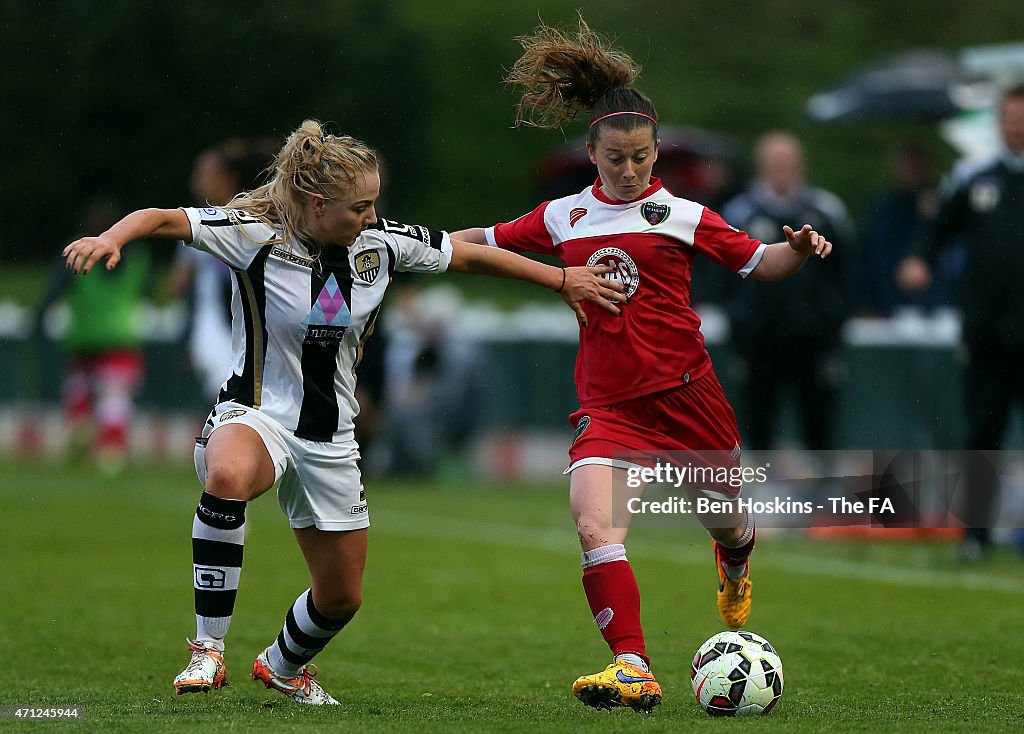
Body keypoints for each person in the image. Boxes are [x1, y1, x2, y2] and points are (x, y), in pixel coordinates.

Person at [63, 119, 626, 706]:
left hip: (333, 436)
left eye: (374, 202)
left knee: (341, 598)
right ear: (315, 204)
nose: (372, 215)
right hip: (257, 413)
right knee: (227, 476)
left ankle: (282, 666)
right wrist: (112, 238)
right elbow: (161, 217)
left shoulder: (380, 243)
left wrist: (562, 279)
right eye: (360, 206)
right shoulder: (252, 233)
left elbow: (469, 258)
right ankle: (207, 650)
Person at [453, 18, 833, 714]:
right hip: (610, 406)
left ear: (656, 153)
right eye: (614, 159)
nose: (629, 171)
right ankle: (633, 664)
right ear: (591, 154)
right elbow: (482, 241)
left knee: (728, 524)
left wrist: (800, 250)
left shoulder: (683, 214)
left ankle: (738, 556)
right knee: (596, 527)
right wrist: (409, 246)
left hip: (690, 400)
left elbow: (761, 263)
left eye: (641, 158)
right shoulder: (563, 217)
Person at [898, 84, 1024, 560]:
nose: (1016, 126)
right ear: (999, 122)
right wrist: (919, 260)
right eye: (1010, 117)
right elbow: (937, 231)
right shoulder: (975, 176)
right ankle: (976, 533)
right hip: (988, 330)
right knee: (984, 429)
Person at [722, 130, 855, 451]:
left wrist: (831, 323)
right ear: (761, 166)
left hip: (813, 341)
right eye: (774, 161)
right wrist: (742, 325)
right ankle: (758, 497)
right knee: (758, 425)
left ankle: (822, 498)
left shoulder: (826, 211)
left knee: (819, 428)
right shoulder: (739, 213)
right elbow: (723, 277)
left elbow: (846, 273)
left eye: (788, 161)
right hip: (759, 341)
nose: (782, 168)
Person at [35, 195, 149, 473]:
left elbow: (55, 288)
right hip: (121, 336)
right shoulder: (136, 255)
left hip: (84, 335)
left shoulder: (77, 249)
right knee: (115, 398)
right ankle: (111, 452)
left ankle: (81, 426)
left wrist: (38, 319)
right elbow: (145, 290)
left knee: (78, 388)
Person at [167, 137, 279, 399]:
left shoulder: (239, 220)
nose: (195, 183)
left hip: (253, 322)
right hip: (219, 324)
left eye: (202, 174)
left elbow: (177, 284)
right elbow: (178, 286)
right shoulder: (198, 222)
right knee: (229, 395)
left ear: (227, 179)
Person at [859, 141, 957, 316]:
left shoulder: (945, 206)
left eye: (917, 163)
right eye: (907, 163)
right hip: (887, 305)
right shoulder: (882, 208)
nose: (911, 169)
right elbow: (869, 257)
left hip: (937, 306)